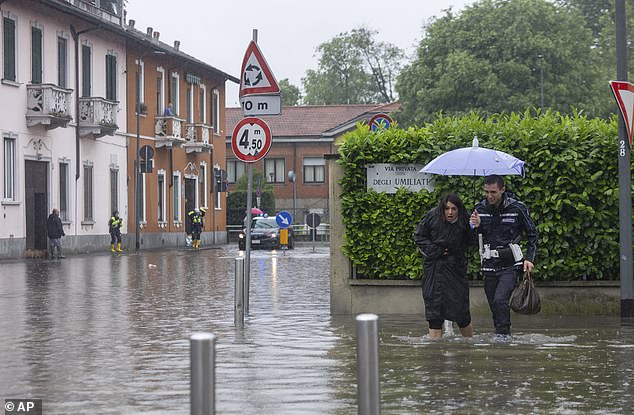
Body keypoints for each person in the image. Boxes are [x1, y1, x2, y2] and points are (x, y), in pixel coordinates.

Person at [470, 174, 538, 338]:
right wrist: (476, 227)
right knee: (495, 305)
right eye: (486, 192)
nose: (489, 196)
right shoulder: (479, 209)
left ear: (502, 189)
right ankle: (501, 335)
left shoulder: (517, 208)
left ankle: (504, 337)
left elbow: (533, 235)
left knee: (501, 300)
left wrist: (529, 258)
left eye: (493, 192)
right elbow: (472, 240)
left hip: (510, 264)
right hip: (488, 264)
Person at [414, 193, 475, 338]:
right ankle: (436, 353)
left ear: (458, 209)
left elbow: (473, 242)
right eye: (447, 208)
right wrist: (436, 250)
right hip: (434, 270)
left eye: (454, 209)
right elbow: (419, 236)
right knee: (434, 314)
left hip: (456, 270)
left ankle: (469, 345)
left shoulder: (466, 221)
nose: (450, 212)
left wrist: (476, 227)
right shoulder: (432, 217)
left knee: (462, 313)